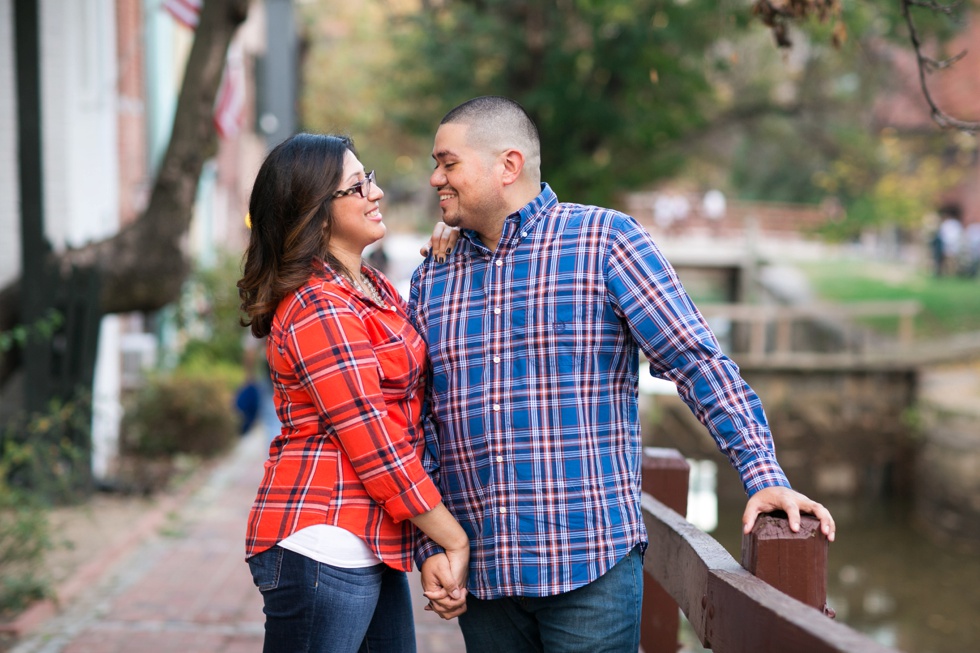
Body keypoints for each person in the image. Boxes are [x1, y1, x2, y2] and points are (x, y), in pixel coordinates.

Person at [409, 97, 836, 652]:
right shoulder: (432, 277)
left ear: (507, 166)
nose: (435, 177)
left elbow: (696, 361)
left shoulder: (605, 242)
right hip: (484, 581)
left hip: (590, 571)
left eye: (448, 162)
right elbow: (418, 423)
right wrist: (431, 547)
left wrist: (763, 474)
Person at [237, 132, 468, 653]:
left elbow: (414, 388)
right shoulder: (318, 305)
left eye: (372, 180)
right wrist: (451, 538)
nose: (376, 193)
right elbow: (374, 440)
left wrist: (445, 259)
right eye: (358, 185)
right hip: (323, 543)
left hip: (371, 541)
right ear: (317, 213)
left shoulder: (373, 288)